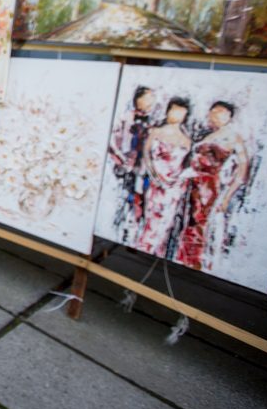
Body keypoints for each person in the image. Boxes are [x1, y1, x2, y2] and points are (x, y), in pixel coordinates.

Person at [176, 101, 249, 271]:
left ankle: (195, 265)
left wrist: (227, 196)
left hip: (209, 188)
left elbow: (242, 170)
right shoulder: (208, 135)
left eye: (222, 112)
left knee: (201, 226)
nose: (216, 115)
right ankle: (185, 262)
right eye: (213, 112)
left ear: (229, 116)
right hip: (193, 185)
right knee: (189, 224)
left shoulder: (232, 137)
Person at [138, 97, 192, 258]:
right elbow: (146, 155)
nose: (176, 115)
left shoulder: (186, 139)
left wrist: (176, 179)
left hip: (173, 187)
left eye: (181, 112)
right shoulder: (156, 132)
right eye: (174, 111)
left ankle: (157, 251)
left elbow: (185, 165)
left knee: (166, 222)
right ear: (168, 111)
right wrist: (155, 175)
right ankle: (145, 248)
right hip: (156, 184)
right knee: (152, 217)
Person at [107, 85, 155, 243]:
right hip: (124, 168)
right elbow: (112, 142)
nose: (150, 102)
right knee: (122, 200)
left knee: (139, 201)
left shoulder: (153, 122)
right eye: (147, 98)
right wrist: (121, 159)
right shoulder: (125, 118)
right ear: (137, 99)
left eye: (152, 99)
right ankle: (117, 231)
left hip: (142, 170)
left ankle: (132, 235)